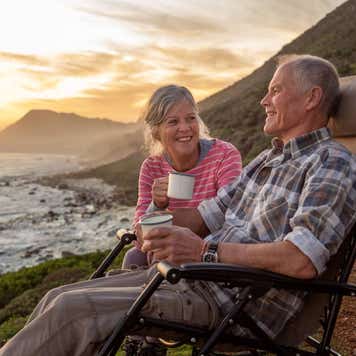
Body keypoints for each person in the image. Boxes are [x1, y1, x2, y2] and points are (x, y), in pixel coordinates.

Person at [2, 54, 356, 356]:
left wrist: (205, 251)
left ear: (311, 98)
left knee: (72, 312)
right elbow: (203, 215)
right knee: (57, 295)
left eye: (275, 91)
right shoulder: (268, 159)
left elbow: (302, 259)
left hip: (234, 303)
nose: (264, 101)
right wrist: (155, 220)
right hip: (195, 279)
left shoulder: (331, 162)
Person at [123, 84, 242, 268]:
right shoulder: (151, 167)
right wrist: (156, 205)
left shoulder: (224, 155)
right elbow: (140, 238)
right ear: (157, 131)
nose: (185, 128)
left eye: (190, 118)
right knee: (133, 257)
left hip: (208, 254)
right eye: (173, 122)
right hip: (163, 257)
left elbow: (234, 217)